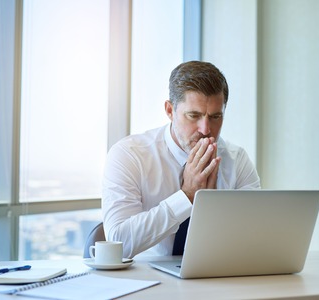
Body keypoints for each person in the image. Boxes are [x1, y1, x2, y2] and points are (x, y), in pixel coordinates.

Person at [102, 61, 261, 259]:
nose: (206, 129)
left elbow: (255, 237)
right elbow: (118, 244)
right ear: (170, 110)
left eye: (215, 116)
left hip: (214, 278)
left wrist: (212, 210)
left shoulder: (236, 160)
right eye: (194, 116)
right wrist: (187, 196)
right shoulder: (129, 155)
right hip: (146, 280)